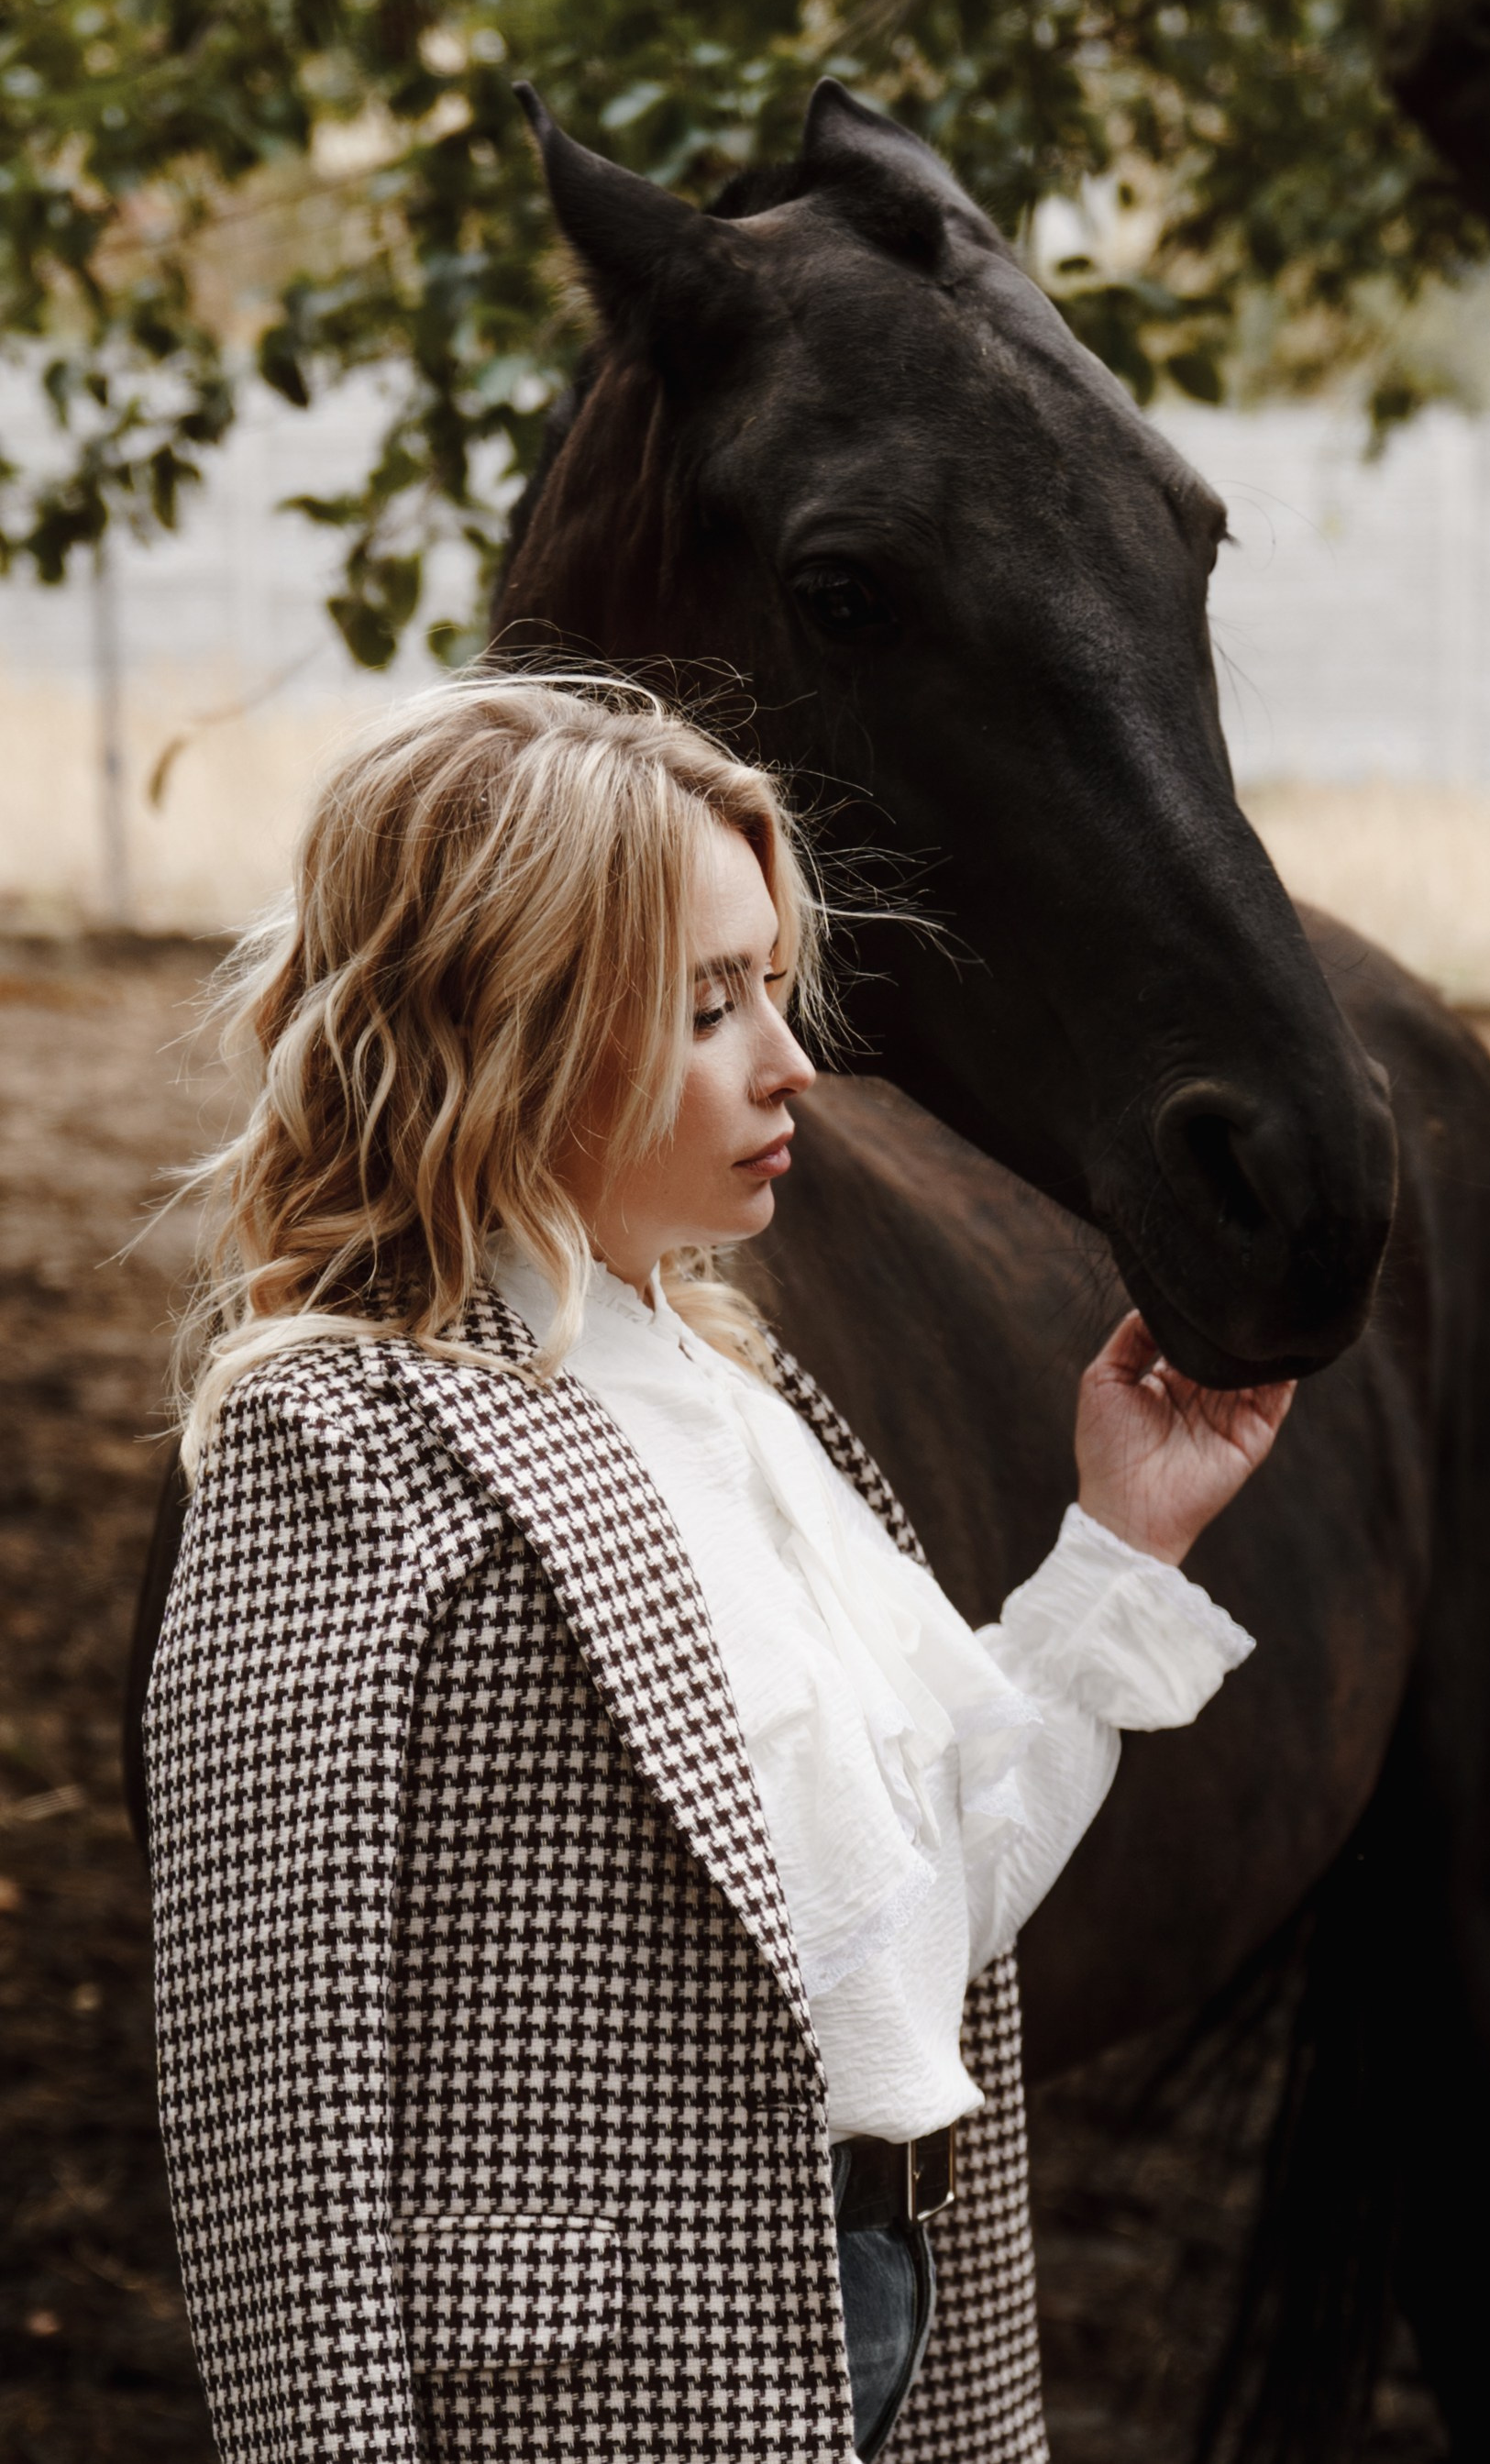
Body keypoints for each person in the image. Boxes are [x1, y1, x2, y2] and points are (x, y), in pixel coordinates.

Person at [144, 674, 1292, 2464]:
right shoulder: (342, 1435)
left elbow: (929, 1916)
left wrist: (1120, 1540)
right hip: (576, 2402)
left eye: (775, 985)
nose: (791, 1060)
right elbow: (269, 2107)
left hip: (882, 2316)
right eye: (709, 1005)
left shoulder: (756, 1406)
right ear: (508, 1025)